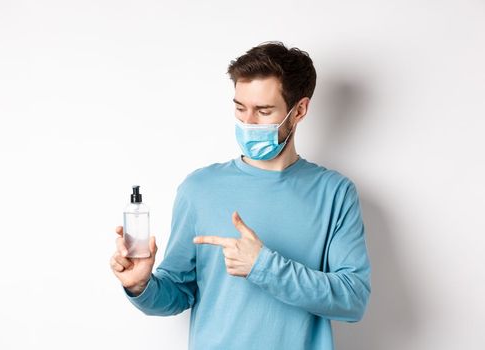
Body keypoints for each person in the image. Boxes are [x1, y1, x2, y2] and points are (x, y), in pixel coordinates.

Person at [109, 42, 371, 350]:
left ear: (299, 110)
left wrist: (264, 266)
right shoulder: (199, 188)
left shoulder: (335, 193)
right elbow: (178, 292)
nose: (247, 122)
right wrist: (142, 286)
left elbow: (353, 300)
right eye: (239, 107)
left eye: (263, 111)